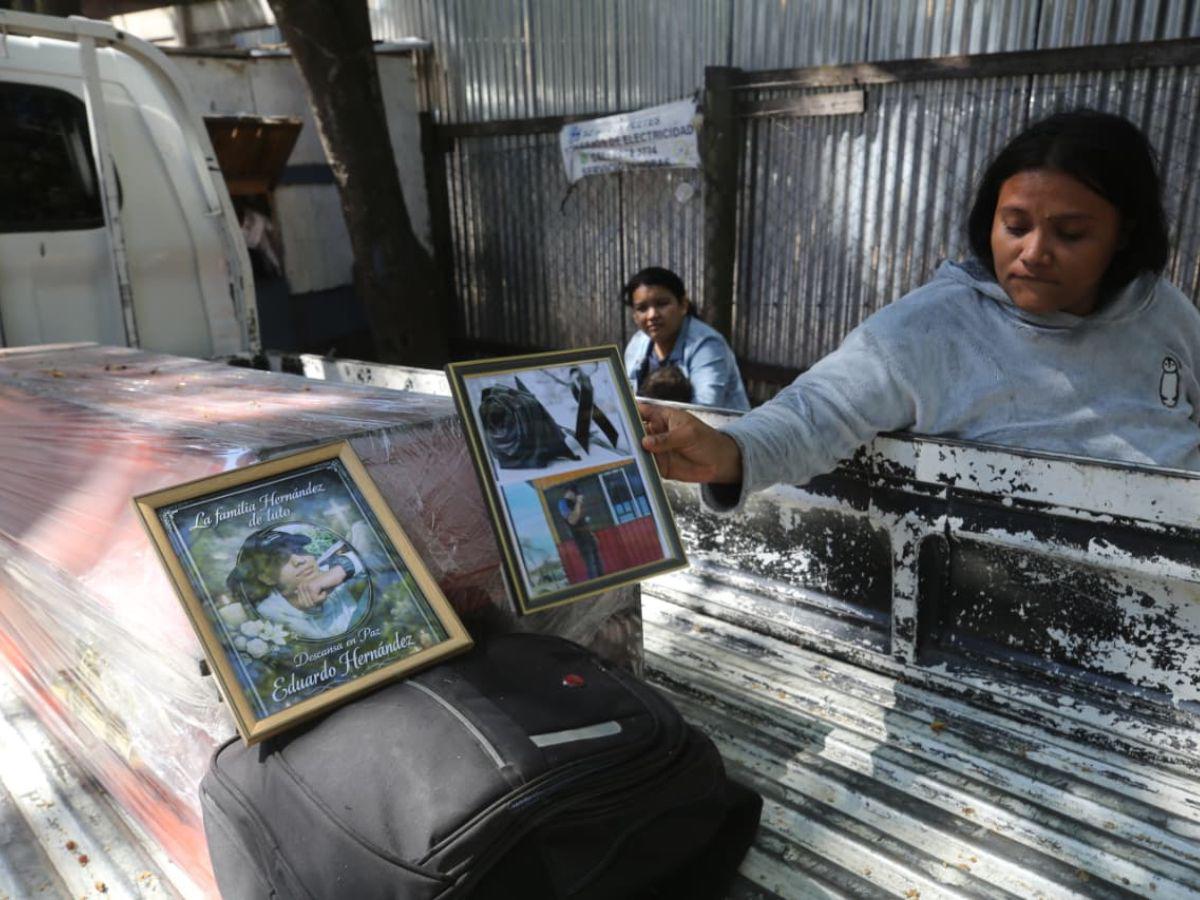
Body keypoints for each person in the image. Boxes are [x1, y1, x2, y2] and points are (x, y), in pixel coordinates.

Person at [638, 109, 1200, 512]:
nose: (1034, 252)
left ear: (1123, 234)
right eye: (1016, 227)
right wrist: (728, 449)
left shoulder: (1163, 312)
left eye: (1071, 233)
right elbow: (818, 409)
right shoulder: (932, 327)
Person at [623, 266, 751, 411]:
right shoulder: (638, 343)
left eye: (662, 304)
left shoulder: (707, 345)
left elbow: (704, 411)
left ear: (683, 305)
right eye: (642, 308)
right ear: (634, 315)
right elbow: (628, 398)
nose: (652, 315)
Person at [227, 527, 368, 641]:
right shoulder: (271, 616)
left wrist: (342, 569)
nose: (300, 560)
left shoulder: (332, 572)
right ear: (266, 578)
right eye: (281, 559)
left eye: (298, 550)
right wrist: (310, 610)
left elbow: (375, 550)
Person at [557, 484, 603, 580]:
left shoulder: (575, 504)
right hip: (581, 539)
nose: (577, 496)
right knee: (591, 566)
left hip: (589, 537)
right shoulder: (563, 503)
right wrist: (578, 503)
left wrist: (592, 534)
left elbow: (583, 521)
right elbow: (572, 520)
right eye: (576, 494)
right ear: (569, 492)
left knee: (599, 563)